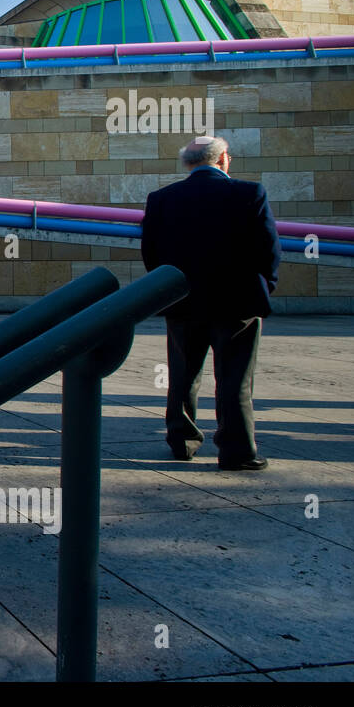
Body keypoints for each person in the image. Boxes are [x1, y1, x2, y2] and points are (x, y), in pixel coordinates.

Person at [140, 135, 280, 470]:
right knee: (235, 380)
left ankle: (182, 442)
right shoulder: (250, 193)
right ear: (223, 159)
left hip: (183, 303)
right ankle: (237, 452)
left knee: (183, 376)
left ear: (188, 164)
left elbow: (151, 253)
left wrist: (170, 290)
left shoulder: (161, 199)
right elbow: (269, 249)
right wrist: (263, 287)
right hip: (238, 305)